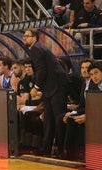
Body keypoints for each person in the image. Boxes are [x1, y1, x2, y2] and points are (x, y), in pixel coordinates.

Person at [23, 28, 69, 157]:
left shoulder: (37, 48)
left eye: (27, 36)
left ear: (35, 37)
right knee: (48, 118)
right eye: (24, 36)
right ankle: (46, 148)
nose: (24, 38)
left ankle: (61, 150)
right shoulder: (36, 49)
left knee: (58, 117)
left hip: (57, 85)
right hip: (50, 87)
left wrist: (36, 87)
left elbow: (41, 70)